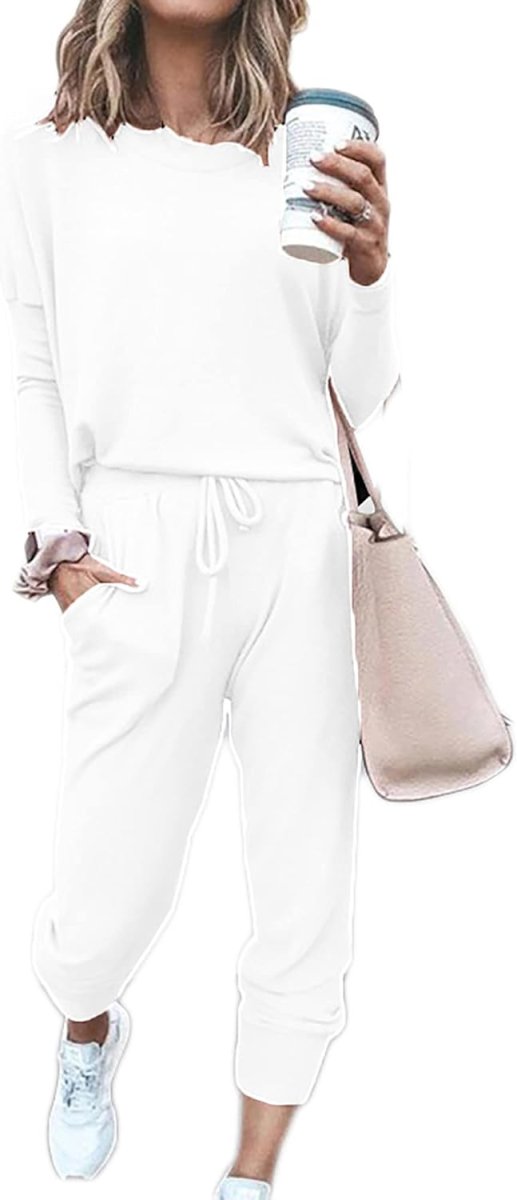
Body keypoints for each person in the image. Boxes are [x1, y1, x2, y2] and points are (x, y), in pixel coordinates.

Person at [0, 0, 400, 1194]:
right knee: (101, 899)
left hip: (298, 535)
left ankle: (251, 1173)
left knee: (304, 884)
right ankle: (86, 1028)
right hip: (135, 542)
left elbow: (357, 393)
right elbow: (30, 362)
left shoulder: (312, 141)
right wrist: (63, 555)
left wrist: (370, 279)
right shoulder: (56, 158)